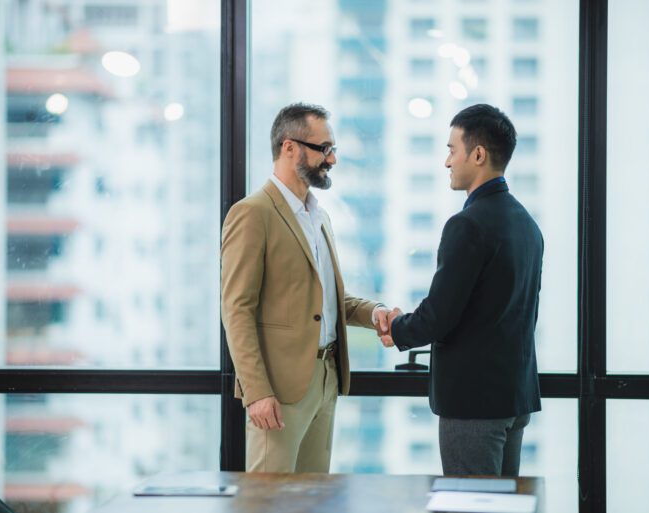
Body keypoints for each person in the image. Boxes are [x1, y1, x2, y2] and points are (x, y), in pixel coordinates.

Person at [221, 102, 391, 473]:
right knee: (269, 502)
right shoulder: (253, 213)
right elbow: (236, 309)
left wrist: (374, 312)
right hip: (278, 389)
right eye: (324, 149)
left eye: (333, 150)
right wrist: (258, 391)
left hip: (326, 379)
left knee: (314, 499)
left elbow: (328, 299)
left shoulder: (320, 217)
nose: (332, 160)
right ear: (289, 147)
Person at [381, 104, 543, 477]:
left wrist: (398, 328)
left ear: (479, 155)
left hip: (473, 404)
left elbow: (440, 314)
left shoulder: (468, 225)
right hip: (512, 398)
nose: (447, 162)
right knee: (500, 504)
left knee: (470, 502)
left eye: (452, 150)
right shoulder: (527, 225)